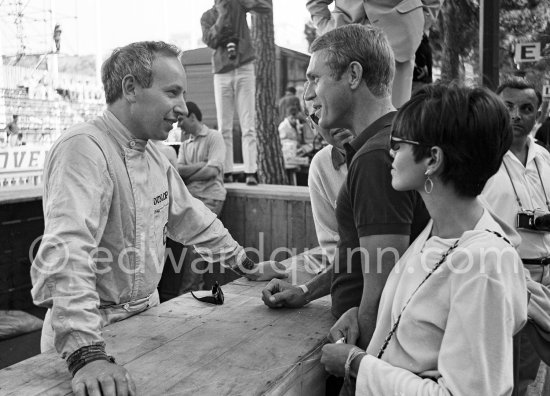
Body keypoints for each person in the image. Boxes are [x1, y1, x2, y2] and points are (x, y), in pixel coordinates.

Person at [30, 41, 286, 396]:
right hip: (90, 335)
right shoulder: (83, 148)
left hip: (147, 320)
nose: (182, 107)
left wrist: (246, 263)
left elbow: (193, 218)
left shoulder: (154, 155)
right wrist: (86, 353)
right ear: (131, 88)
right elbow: (66, 251)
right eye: (172, 92)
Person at [321, 83, 528, 395]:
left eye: (399, 144)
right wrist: (371, 320)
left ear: (432, 159)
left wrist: (356, 364)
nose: (391, 152)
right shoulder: (438, 231)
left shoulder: (484, 264)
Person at [262, 24, 430, 354]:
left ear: (353, 75)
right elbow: (362, 257)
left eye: (315, 78)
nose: (307, 93)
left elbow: (381, 283)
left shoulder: (376, 156)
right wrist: (308, 290)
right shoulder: (395, 140)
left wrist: (356, 367)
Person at [482, 77, 550, 395]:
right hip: (508, 283)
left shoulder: (546, 160)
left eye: (526, 108)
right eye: (507, 107)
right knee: (506, 377)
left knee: (531, 372)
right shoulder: (482, 160)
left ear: (538, 113)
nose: (516, 116)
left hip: (546, 283)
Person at [306, 0, 443, 108]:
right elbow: (315, 2)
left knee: (394, 115)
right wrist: (327, 28)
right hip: (344, 39)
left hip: (398, 35)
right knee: (345, 116)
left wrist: (422, 22)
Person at [201, 0, 271, 186]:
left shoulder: (238, 5)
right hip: (221, 71)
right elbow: (211, 40)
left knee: (248, 124)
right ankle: (227, 171)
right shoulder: (207, 17)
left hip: (244, 65)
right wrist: (222, 16)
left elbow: (265, 7)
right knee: (224, 126)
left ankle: (251, 171)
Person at [177, 101, 227, 293]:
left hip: (209, 198)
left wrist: (189, 174)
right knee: (187, 247)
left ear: (192, 116)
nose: (178, 124)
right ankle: (194, 291)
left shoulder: (214, 137)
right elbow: (178, 171)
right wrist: (201, 165)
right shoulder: (184, 144)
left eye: (181, 119)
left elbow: (212, 173)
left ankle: (188, 293)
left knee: (196, 247)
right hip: (190, 200)